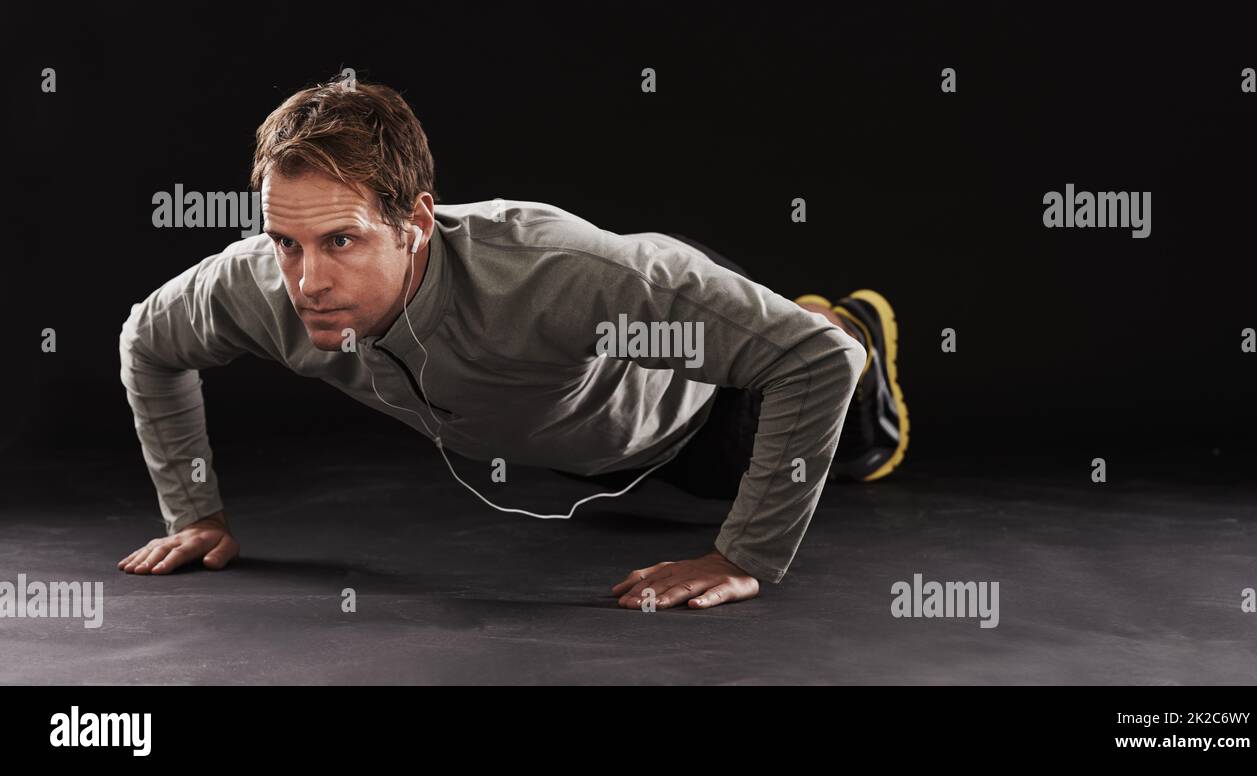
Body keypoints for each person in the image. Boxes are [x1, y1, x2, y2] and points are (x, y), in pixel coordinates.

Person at [116, 76, 909, 610]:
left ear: (417, 221)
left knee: (822, 385)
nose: (306, 281)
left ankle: (849, 317)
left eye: (342, 242)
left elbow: (810, 363)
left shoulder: (550, 272)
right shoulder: (258, 282)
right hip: (573, 429)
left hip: (699, 411)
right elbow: (148, 341)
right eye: (286, 243)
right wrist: (197, 515)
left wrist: (744, 559)